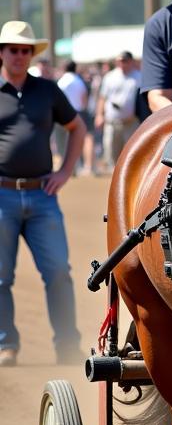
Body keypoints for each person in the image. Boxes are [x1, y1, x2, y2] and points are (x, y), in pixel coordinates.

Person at [0, 21, 85, 366]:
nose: (19, 56)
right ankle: (6, 344)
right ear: (1, 52)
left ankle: (67, 344)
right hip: (2, 196)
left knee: (59, 273)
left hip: (42, 195)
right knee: (1, 277)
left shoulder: (47, 91)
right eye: (12, 50)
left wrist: (65, 171)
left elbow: (76, 127)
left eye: (25, 50)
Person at [95, 51, 142, 170]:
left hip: (131, 123)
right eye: (120, 61)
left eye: (125, 61)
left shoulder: (139, 77)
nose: (122, 64)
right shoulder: (110, 77)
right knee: (111, 153)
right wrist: (99, 115)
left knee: (132, 154)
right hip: (112, 122)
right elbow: (102, 98)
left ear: (131, 61)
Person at [55, 59, 89, 165]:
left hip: (63, 114)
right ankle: (76, 165)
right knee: (76, 141)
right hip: (79, 113)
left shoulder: (62, 81)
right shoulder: (79, 81)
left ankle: (67, 164)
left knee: (63, 142)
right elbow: (84, 99)